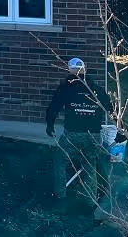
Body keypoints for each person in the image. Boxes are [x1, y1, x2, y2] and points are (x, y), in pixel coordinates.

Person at [46, 57, 111, 201]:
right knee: (89, 165)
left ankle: (60, 196)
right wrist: (120, 132)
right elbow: (112, 110)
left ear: (70, 70)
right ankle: (90, 200)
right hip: (94, 135)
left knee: (60, 160)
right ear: (85, 70)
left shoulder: (66, 88)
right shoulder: (98, 90)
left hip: (72, 135)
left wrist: (50, 125)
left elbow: (53, 108)